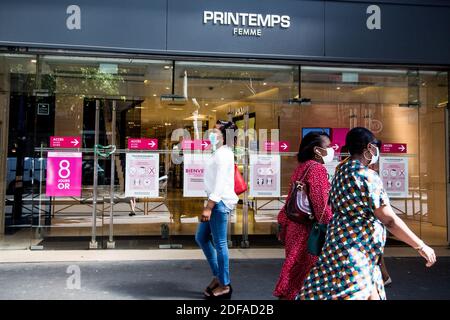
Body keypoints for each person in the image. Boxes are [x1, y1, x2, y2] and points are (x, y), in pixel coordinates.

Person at [298, 127, 436, 300]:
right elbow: (389, 220)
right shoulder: (367, 176)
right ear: (369, 148)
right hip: (356, 252)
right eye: (375, 146)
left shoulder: (341, 170)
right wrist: (420, 245)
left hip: (340, 246)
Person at [274, 131, 334, 300]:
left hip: (294, 226)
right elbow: (321, 206)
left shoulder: (303, 166)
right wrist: (330, 225)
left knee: (294, 270)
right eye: (328, 146)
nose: (331, 150)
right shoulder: (316, 169)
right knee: (304, 275)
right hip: (307, 231)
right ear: (317, 150)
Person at [195, 120, 239, 300]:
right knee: (201, 237)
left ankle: (225, 284)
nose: (211, 134)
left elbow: (220, 182)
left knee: (220, 243)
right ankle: (218, 275)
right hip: (215, 201)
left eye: (215, 131)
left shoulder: (224, 154)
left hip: (218, 203)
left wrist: (209, 206)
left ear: (225, 135)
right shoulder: (218, 152)